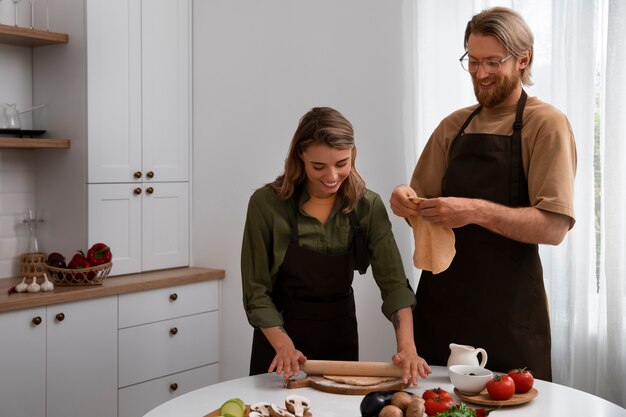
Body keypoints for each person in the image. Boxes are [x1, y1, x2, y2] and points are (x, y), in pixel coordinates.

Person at [390, 7, 576, 381]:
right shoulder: (453, 126)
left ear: (524, 60)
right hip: (442, 308)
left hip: (510, 316)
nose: (480, 73)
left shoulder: (546, 125)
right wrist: (402, 198)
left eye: (493, 62)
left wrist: (474, 210)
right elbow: (419, 202)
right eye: (472, 62)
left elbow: (554, 227)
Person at [242, 107, 431, 385]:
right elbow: (256, 293)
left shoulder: (368, 206)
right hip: (279, 342)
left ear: (353, 155)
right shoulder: (266, 205)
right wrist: (283, 346)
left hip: (339, 336)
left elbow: (394, 286)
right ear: (300, 157)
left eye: (342, 163)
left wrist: (408, 348)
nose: (332, 175)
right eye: (319, 166)